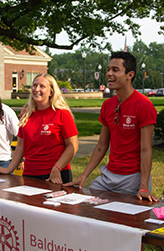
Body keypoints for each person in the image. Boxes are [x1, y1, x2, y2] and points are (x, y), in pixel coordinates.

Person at [65, 52, 158, 202]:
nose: (109, 74)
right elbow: (102, 145)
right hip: (108, 176)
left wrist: (144, 187)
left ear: (130, 75)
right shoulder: (108, 105)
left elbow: (146, 149)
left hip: (132, 177)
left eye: (115, 70)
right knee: (85, 207)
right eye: (108, 69)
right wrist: (83, 175)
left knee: (124, 219)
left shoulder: (144, 105)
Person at [0, 73, 79, 184]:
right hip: (29, 174)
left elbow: (73, 146)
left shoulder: (62, 114)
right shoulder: (26, 113)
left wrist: (57, 168)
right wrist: (9, 169)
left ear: (51, 92)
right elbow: (21, 145)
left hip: (55, 175)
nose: (36, 89)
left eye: (42, 86)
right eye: (34, 85)